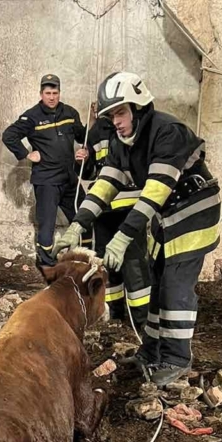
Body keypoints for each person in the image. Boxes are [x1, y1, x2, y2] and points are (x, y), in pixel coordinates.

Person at [53, 72, 221, 385]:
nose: (115, 121)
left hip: (193, 212)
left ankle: (176, 359)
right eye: (111, 115)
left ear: (139, 107)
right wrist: (78, 224)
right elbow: (106, 184)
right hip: (168, 215)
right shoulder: (123, 141)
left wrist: (121, 239)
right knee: (157, 282)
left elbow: (155, 191)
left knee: (175, 286)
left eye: (120, 113)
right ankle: (152, 350)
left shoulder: (166, 132)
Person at [2, 73, 90, 267]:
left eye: (55, 93)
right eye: (48, 93)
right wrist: (26, 154)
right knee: (47, 225)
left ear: (59, 93)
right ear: (41, 93)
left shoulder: (70, 113)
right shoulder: (31, 117)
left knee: (85, 215)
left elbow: (83, 137)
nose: (52, 97)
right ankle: (47, 264)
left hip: (69, 178)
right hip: (47, 180)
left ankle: (85, 258)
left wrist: (85, 150)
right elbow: (9, 135)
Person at [82, 102, 151, 328]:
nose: (114, 119)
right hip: (104, 210)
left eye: (118, 112)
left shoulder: (137, 129)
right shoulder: (95, 132)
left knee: (133, 263)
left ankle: (141, 321)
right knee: (107, 264)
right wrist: (83, 160)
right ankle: (115, 316)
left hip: (130, 208)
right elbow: (90, 171)